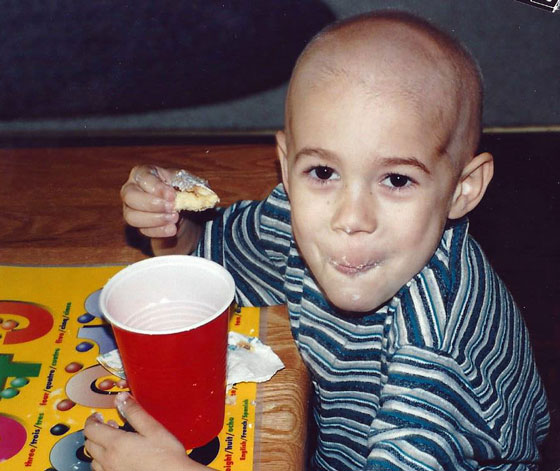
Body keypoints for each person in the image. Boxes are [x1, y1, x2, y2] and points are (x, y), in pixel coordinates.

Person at [84, 10, 550, 471]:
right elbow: (212, 260)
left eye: (397, 180)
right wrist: (171, 223)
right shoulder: (300, 221)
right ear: (287, 167)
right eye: (323, 172)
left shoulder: (437, 359)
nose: (350, 219)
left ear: (462, 189)